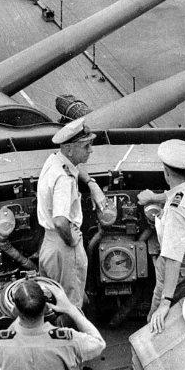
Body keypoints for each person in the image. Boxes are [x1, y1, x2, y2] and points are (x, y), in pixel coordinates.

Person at [37, 118, 106, 308]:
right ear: (69, 149)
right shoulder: (64, 180)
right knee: (72, 307)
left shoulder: (55, 160)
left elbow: (74, 169)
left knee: (52, 300)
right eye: (86, 146)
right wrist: (72, 242)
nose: (90, 150)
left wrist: (92, 185)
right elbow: (60, 221)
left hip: (49, 244)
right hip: (64, 246)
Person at [137, 139, 185, 334]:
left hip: (177, 271)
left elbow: (173, 258)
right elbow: (178, 194)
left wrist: (165, 302)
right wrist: (154, 198)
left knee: (157, 321)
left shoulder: (176, 212)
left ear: (166, 172)